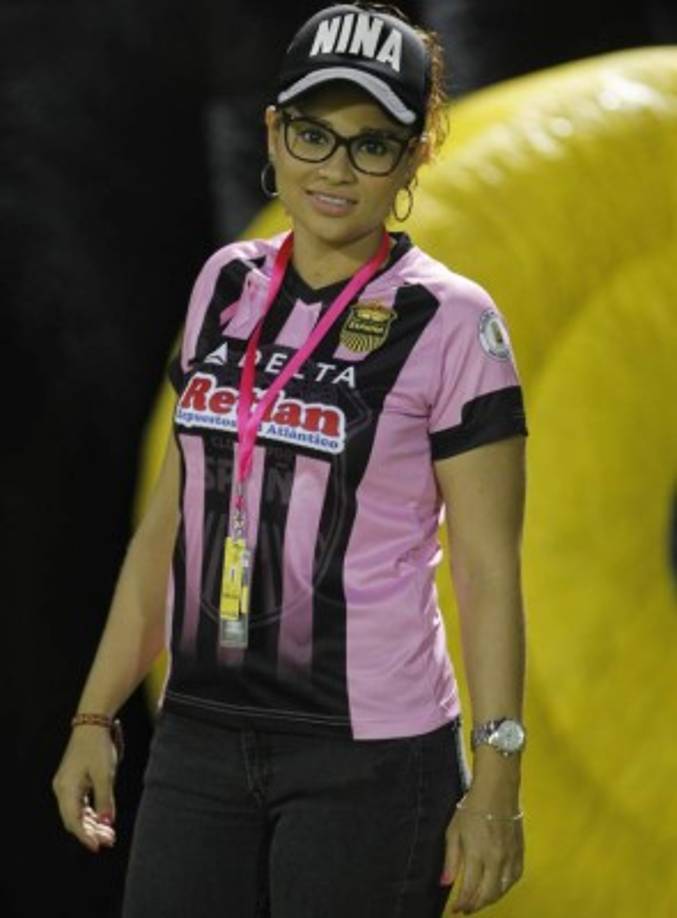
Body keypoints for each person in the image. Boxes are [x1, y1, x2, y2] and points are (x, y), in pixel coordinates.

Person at [52, 3, 529, 916]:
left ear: (416, 155)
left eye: (371, 145)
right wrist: (93, 714)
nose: (335, 169)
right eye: (313, 133)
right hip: (198, 739)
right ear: (272, 132)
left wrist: (497, 784)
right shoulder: (224, 282)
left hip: (373, 760)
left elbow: (486, 568)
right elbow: (169, 523)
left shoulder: (456, 321)